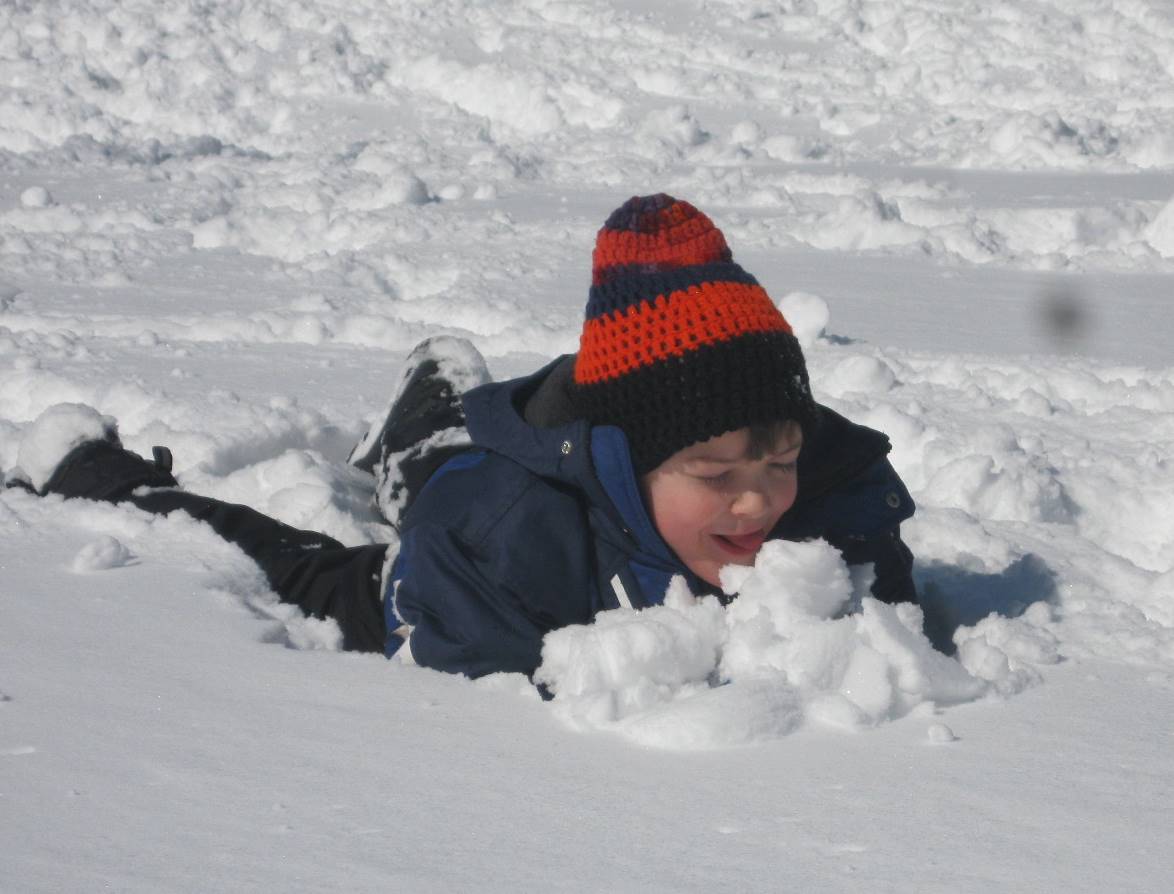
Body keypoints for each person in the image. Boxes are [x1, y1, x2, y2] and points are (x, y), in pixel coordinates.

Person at [15, 194, 916, 680]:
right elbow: (464, 733)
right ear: (624, 463)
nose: (758, 497)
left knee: (451, 461)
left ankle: (439, 404)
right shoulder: (498, 536)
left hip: (513, 487)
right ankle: (96, 473)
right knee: (312, 568)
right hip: (445, 574)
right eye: (714, 471)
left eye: (781, 457)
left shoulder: (835, 495)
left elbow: (894, 643)